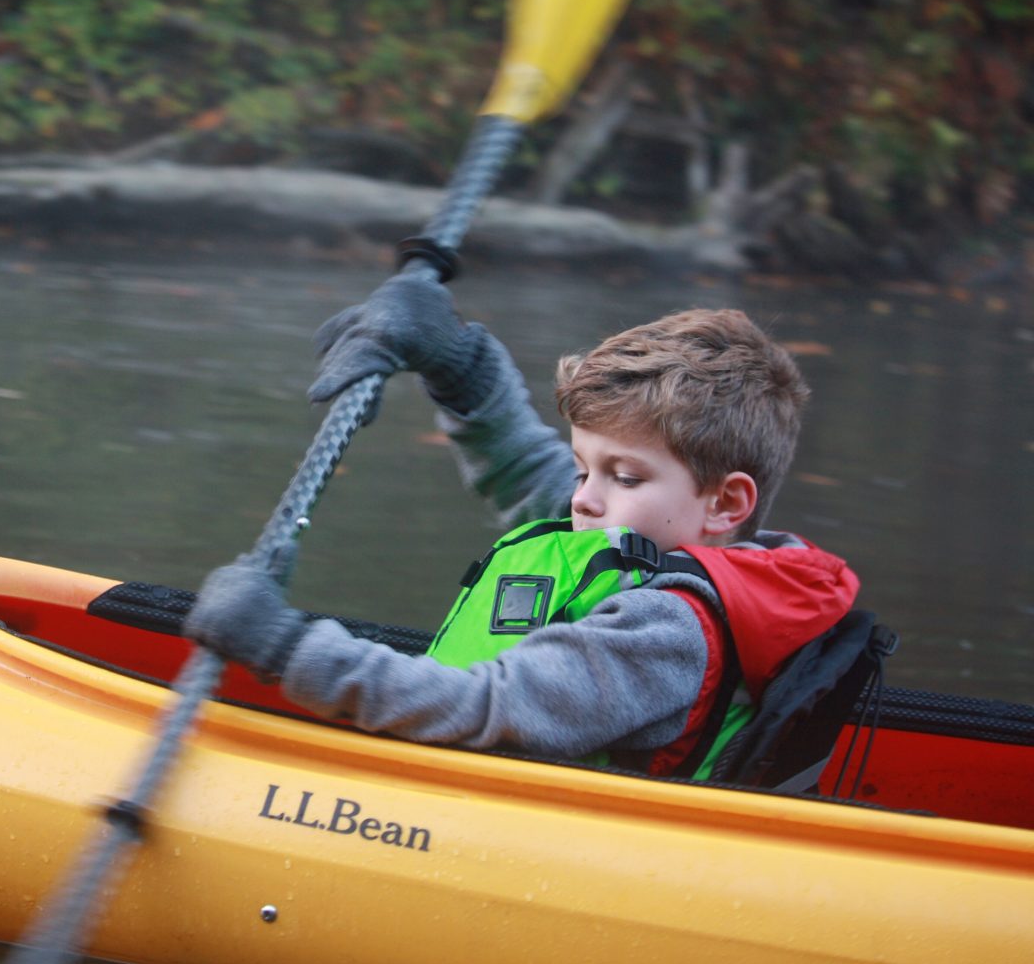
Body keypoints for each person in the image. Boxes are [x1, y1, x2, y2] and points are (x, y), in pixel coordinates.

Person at [183, 269, 860, 778]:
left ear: (726, 504)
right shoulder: (632, 535)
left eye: (623, 477)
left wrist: (284, 647)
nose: (584, 499)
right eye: (582, 467)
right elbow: (521, 464)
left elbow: (490, 709)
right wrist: (453, 360)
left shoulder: (669, 629)